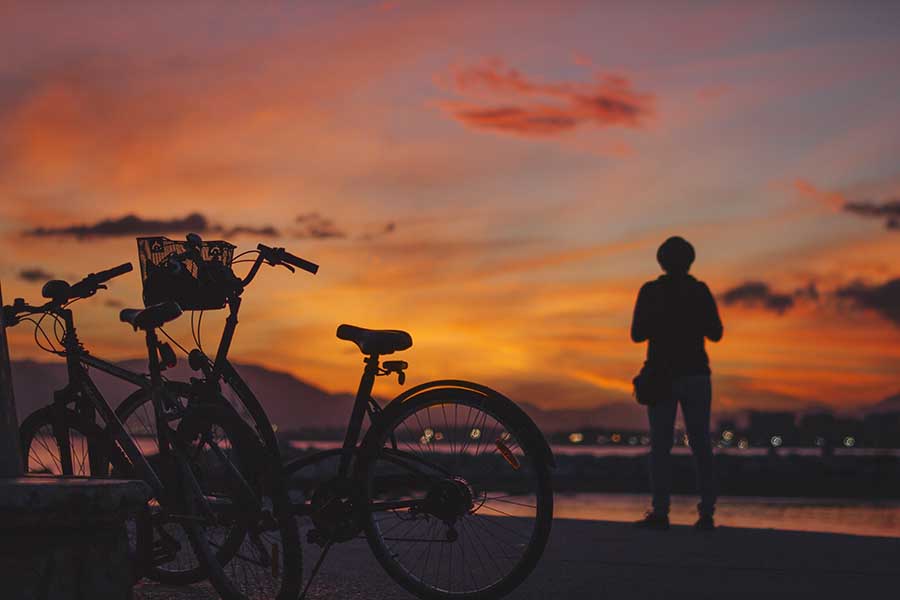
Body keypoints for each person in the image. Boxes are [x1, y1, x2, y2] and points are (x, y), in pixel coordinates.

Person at [630, 236, 723, 531]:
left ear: (661, 261)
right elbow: (717, 333)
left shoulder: (651, 291)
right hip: (696, 374)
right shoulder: (699, 290)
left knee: (660, 446)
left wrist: (661, 318)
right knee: (701, 445)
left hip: (662, 374)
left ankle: (661, 511)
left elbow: (636, 334)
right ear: (690, 261)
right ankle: (706, 513)